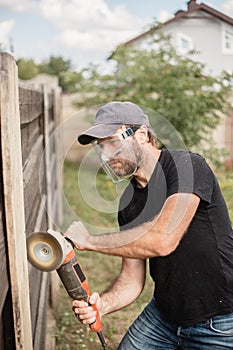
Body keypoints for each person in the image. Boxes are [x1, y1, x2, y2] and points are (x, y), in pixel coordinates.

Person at [65, 101, 233, 349]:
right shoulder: (128, 202)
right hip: (164, 316)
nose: (106, 154)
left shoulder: (187, 167)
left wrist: (89, 241)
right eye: (100, 147)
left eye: (112, 142)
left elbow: (162, 241)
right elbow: (132, 279)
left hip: (219, 322)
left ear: (141, 135)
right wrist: (104, 305)